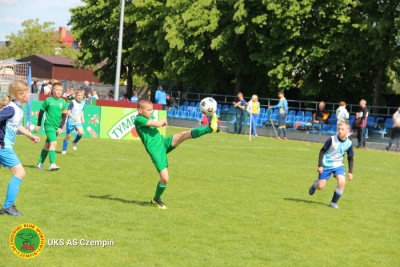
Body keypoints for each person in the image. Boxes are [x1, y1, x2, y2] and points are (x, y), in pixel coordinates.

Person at [134, 99, 219, 209]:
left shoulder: (146, 117)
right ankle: (156, 200)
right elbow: (157, 124)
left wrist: (162, 122)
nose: (151, 112)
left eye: (152, 109)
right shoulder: (139, 119)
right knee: (165, 179)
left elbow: (156, 124)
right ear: (140, 110)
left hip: (163, 142)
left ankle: (210, 128)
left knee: (183, 135)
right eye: (149, 110)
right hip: (156, 151)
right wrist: (163, 121)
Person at [0, 80, 40, 216]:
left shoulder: (17, 108)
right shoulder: (10, 108)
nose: (30, 94)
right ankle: (7, 206)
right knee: (20, 173)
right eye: (28, 92)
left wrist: (30, 135)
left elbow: (16, 125)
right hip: (4, 147)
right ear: (20, 94)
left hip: (5, 146)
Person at [308, 121, 354, 209]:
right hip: (326, 165)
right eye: (339, 129)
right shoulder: (332, 139)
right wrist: (320, 165)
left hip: (338, 165)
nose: (340, 131)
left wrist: (350, 172)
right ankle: (315, 185)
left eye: (342, 129)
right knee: (321, 186)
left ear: (347, 131)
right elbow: (322, 151)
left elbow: (350, 157)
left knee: (342, 182)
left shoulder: (349, 143)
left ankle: (333, 203)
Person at [34, 83, 68, 171]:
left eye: (61, 90)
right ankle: (52, 164)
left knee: (47, 145)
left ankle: (39, 163)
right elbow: (41, 112)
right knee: (54, 143)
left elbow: (64, 116)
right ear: (52, 90)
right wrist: (38, 124)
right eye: (57, 90)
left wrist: (60, 127)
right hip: (48, 126)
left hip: (56, 127)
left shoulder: (63, 102)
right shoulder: (48, 100)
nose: (59, 92)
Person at [62, 89, 85, 154]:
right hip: (71, 120)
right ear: (76, 96)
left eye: (81, 95)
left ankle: (74, 142)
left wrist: (83, 118)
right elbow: (68, 112)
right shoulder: (72, 103)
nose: (80, 96)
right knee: (68, 136)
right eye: (78, 95)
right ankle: (64, 150)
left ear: (83, 96)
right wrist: (73, 118)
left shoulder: (83, 103)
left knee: (81, 132)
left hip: (78, 120)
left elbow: (82, 111)